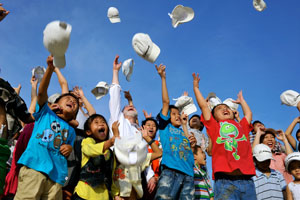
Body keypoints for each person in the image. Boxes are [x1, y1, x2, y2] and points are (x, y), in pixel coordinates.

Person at [14, 55, 79, 200]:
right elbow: (42, 93)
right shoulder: (45, 112)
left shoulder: (71, 130)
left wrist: (69, 148)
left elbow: (69, 146)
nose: (72, 101)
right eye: (67, 98)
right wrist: (50, 69)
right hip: (34, 167)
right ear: (56, 104)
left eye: (75, 103)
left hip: (56, 178)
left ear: (75, 116)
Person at [192, 72, 256, 200]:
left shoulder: (241, 126)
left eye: (226, 107)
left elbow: (248, 115)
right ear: (214, 116)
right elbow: (203, 106)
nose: (224, 109)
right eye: (219, 108)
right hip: (225, 181)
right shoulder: (215, 126)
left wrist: (242, 101)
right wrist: (196, 88)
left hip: (247, 181)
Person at [154, 64, 195, 200]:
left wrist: (184, 125)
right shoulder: (165, 127)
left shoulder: (183, 129)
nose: (177, 116)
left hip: (188, 174)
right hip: (170, 172)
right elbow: (166, 102)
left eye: (178, 113)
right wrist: (163, 78)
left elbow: (190, 146)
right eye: (173, 114)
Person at [73, 114, 119, 200]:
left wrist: (115, 194)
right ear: (88, 132)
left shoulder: (110, 153)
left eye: (103, 122)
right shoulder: (87, 142)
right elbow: (90, 150)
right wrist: (110, 142)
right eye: (96, 122)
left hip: (103, 196)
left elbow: (112, 175)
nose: (101, 124)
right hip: (83, 194)